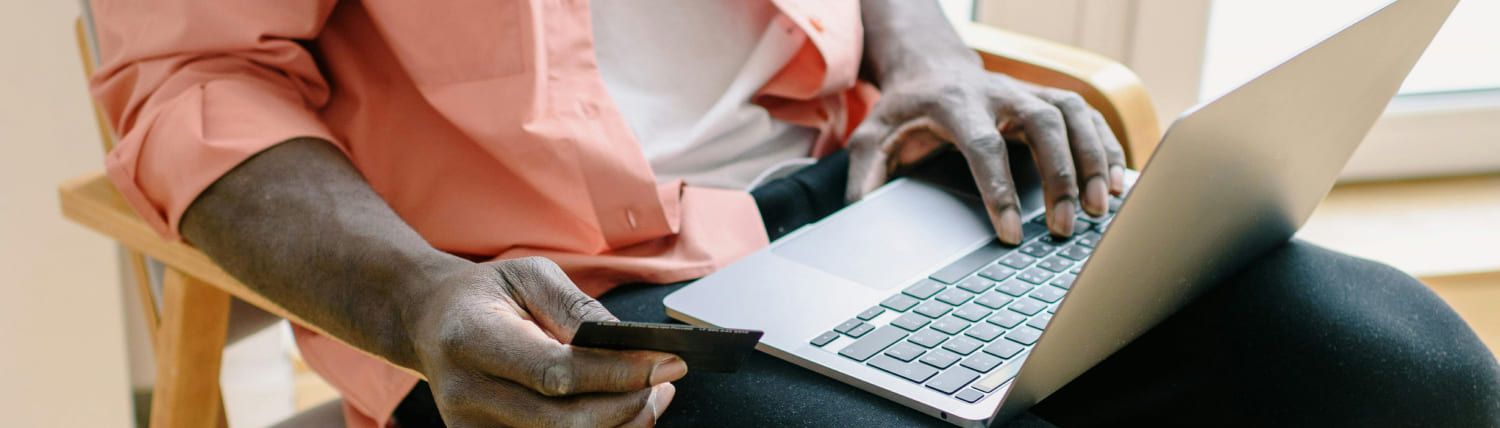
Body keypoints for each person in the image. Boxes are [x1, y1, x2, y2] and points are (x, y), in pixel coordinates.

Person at [90, 0, 1498, 426]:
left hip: (858, 185)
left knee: (1402, 372)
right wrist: (411, 303)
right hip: (559, 294)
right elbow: (190, 76)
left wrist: (937, 73)